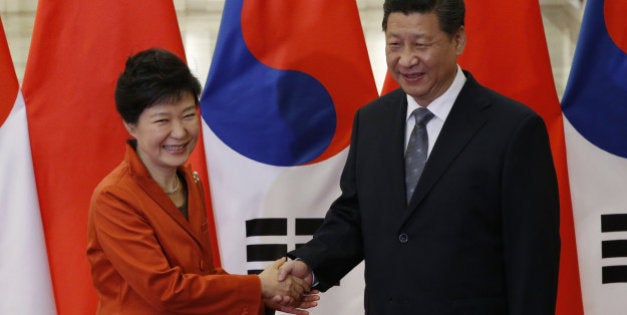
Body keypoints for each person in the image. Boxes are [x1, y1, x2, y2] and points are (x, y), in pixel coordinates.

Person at [278, 0, 560, 314]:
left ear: (458, 39)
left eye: (422, 44)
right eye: (395, 45)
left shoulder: (514, 129)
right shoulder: (373, 121)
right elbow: (354, 215)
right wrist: (310, 264)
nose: (407, 59)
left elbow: (532, 257)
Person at [87, 48, 317, 315]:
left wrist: (265, 293)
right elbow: (166, 291)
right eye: (163, 120)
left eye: (187, 115)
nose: (180, 132)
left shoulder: (189, 181)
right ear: (130, 125)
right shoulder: (114, 197)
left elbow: (201, 275)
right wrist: (257, 287)